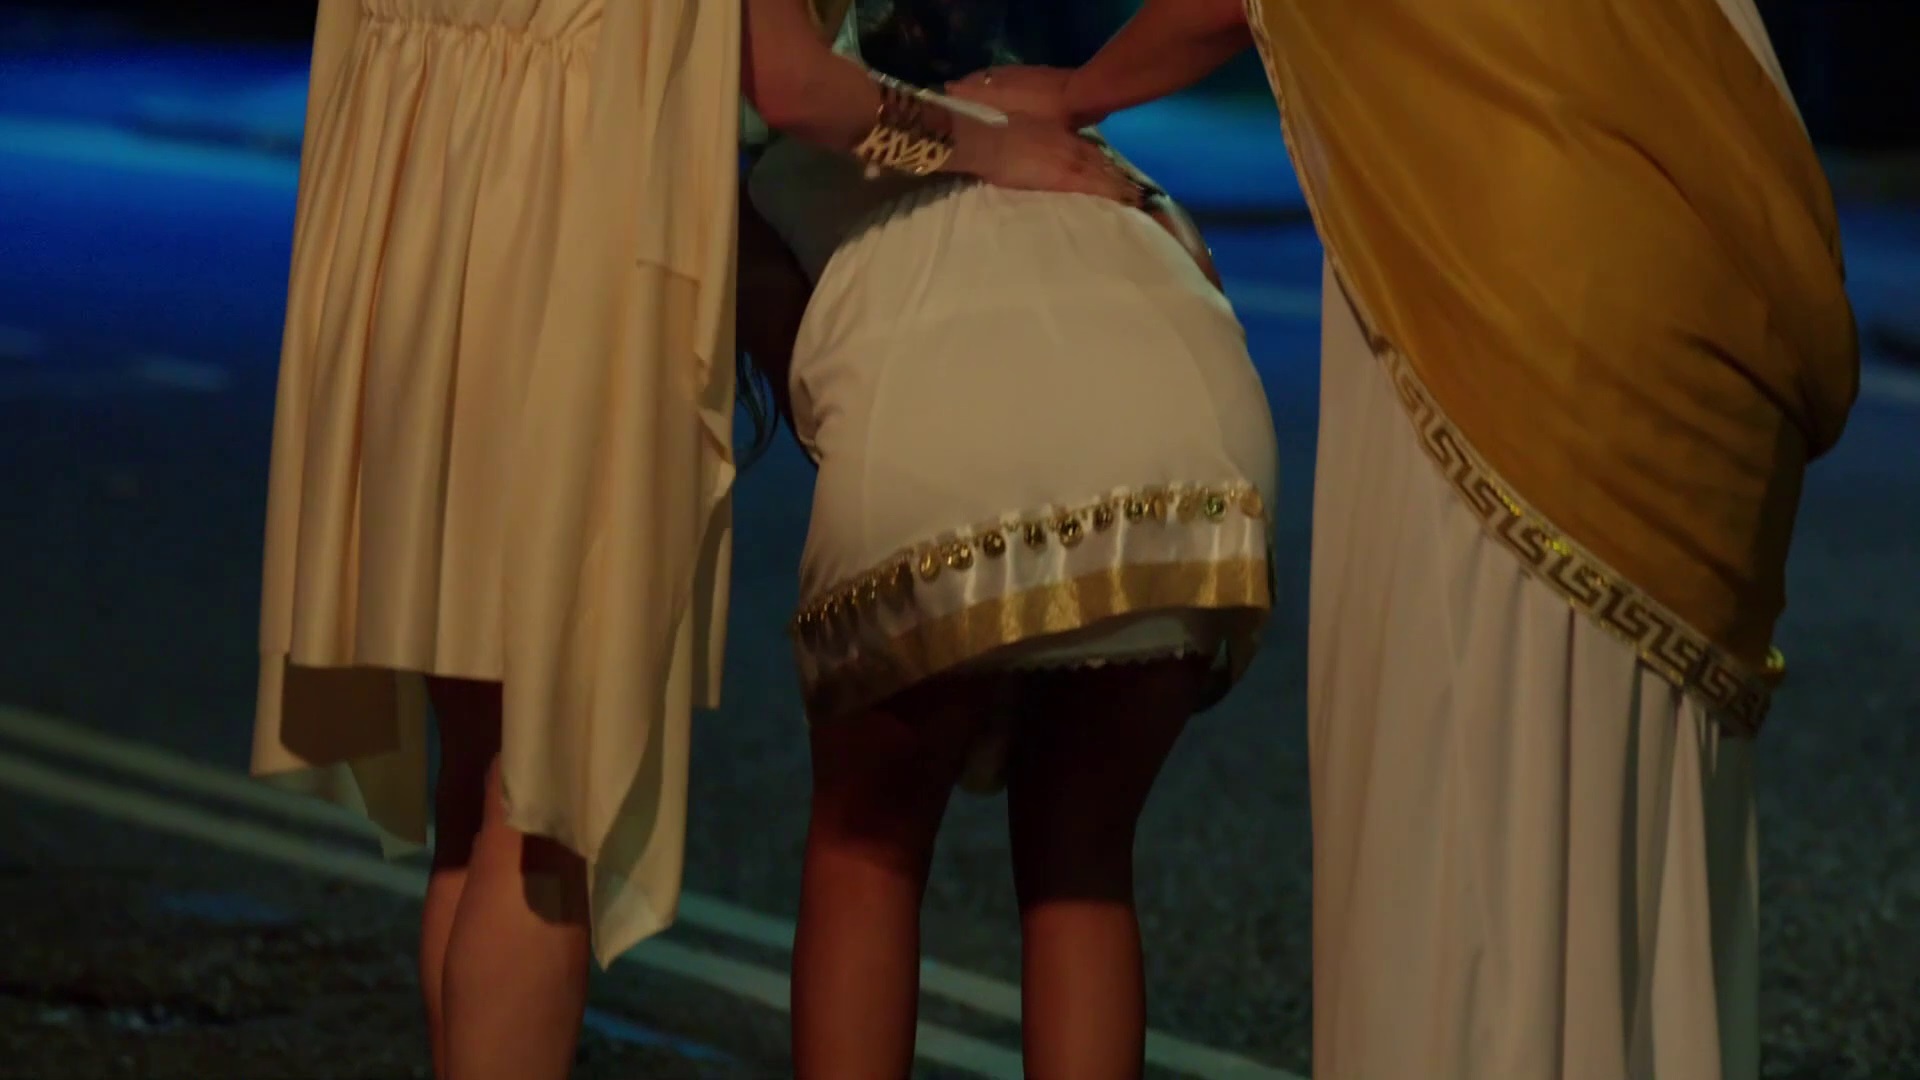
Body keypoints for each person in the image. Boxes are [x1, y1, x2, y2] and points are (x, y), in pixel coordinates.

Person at [954, 1, 1860, 1078]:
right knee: (1629, 809)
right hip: (1698, 221)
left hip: (1493, 290)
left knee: (1481, 794)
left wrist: (1076, 93)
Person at [248, 2, 1140, 1078]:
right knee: (541, 806)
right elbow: (792, 82)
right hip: (569, 238)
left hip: (401, 201)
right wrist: (989, 144)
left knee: (479, 769)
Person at [737, 3, 1278, 1076]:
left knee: (868, 849)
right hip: (1184, 420)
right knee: (1084, 864)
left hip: (942, 432)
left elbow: (797, 378)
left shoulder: (766, 167)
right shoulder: (1067, 134)